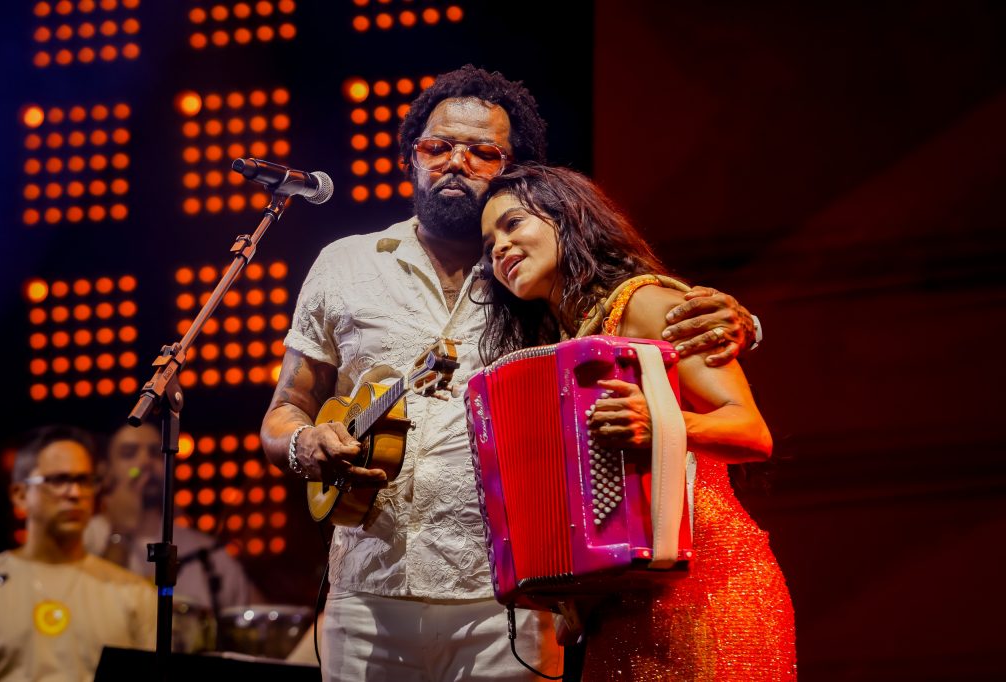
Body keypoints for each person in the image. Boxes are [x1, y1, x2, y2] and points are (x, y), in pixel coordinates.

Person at [260, 65, 759, 681]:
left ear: (513, 170)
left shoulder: (533, 274)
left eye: (482, 152)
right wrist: (302, 442)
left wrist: (745, 322)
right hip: (367, 590)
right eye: (437, 146)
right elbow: (285, 410)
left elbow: (628, 304)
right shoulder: (345, 264)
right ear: (411, 157)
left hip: (514, 594)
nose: (456, 162)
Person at [478, 163, 796, 680]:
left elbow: (750, 432)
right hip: (620, 607)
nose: (499, 248)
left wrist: (663, 425)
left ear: (568, 217)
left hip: (709, 590)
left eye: (513, 224)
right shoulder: (559, 349)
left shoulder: (647, 301)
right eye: (489, 242)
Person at [0, 425, 156, 682]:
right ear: (20, 495)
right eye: (58, 480)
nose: (74, 493)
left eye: (84, 481)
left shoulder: (134, 594)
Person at [83, 423, 260, 613]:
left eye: (156, 453)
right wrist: (120, 533)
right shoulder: (85, 538)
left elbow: (255, 618)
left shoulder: (206, 553)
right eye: (129, 454)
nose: (145, 462)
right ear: (106, 470)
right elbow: (95, 608)